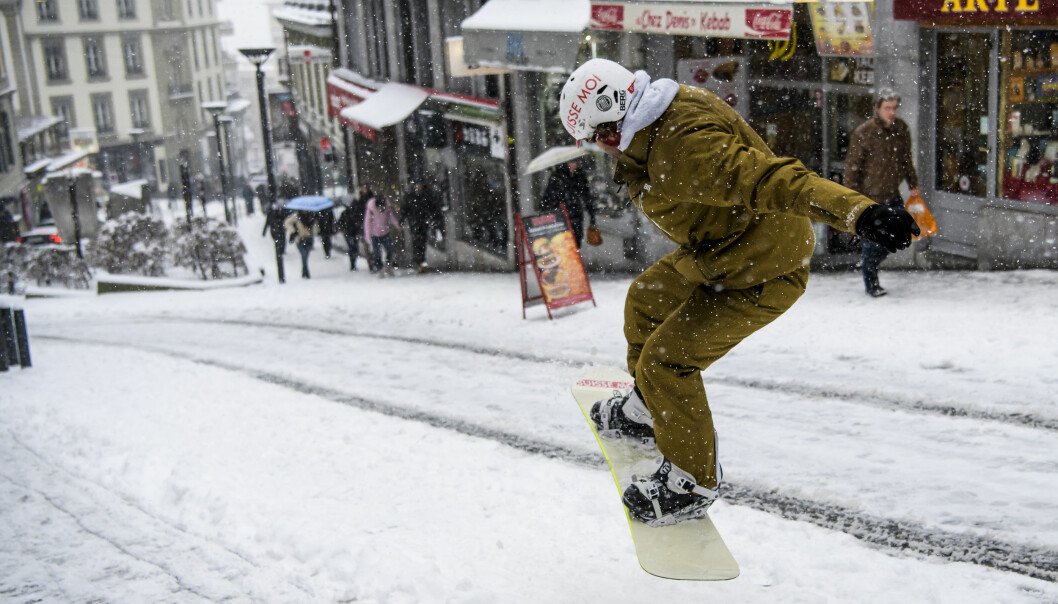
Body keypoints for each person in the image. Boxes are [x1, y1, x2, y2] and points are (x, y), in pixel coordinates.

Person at [559, 58, 918, 526]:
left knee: (667, 361)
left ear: (612, 127)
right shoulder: (665, 111)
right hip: (724, 248)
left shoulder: (684, 150)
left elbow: (774, 179)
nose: (602, 150)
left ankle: (691, 482)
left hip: (765, 267)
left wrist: (860, 214)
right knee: (647, 299)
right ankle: (648, 408)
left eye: (597, 139)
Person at [844, 88, 921, 297]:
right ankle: (871, 283)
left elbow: (906, 158)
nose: (892, 112)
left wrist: (913, 182)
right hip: (870, 199)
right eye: (888, 108)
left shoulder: (901, 129)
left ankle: (870, 264)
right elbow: (852, 169)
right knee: (872, 243)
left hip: (892, 194)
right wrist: (852, 201)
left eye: (895, 107)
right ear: (877, 109)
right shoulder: (864, 132)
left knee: (897, 237)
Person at [541, 160, 596, 248]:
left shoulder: (580, 176)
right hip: (561, 215)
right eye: (571, 162)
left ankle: (574, 258)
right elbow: (548, 197)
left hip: (576, 213)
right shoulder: (557, 177)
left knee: (576, 241)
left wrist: (591, 214)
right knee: (563, 242)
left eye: (575, 162)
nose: (574, 165)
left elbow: (586, 195)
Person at [401, 180, 442, 272]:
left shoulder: (425, 195)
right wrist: (402, 220)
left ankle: (420, 261)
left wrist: (433, 217)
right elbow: (405, 209)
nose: (418, 186)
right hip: (415, 222)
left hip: (423, 222)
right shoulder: (411, 196)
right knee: (416, 242)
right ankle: (418, 261)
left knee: (422, 242)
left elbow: (432, 207)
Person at [363, 193, 402, 277]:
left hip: (385, 232)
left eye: (382, 207)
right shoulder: (371, 210)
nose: (381, 209)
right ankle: (380, 269)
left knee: (389, 250)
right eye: (379, 207)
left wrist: (397, 225)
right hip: (374, 234)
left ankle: (388, 266)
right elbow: (367, 223)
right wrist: (368, 236)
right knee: (377, 253)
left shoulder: (387, 209)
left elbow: (391, 217)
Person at [336, 193, 366, 271]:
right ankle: (353, 263)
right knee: (353, 248)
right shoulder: (347, 213)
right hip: (350, 232)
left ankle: (353, 263)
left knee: (353, 248)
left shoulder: (349, 213)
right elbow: (340, 223)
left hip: (351, 232)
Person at [284, 210, 318, 279]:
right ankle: (306, 272)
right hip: (299, 239)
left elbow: (316, 230)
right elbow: (286, 223)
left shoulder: (312, 217)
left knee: (305, 255)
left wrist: (316, 225)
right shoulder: (296, 216)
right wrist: (293, 230)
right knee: (304, 255)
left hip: (308, 239)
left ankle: (304, 271)